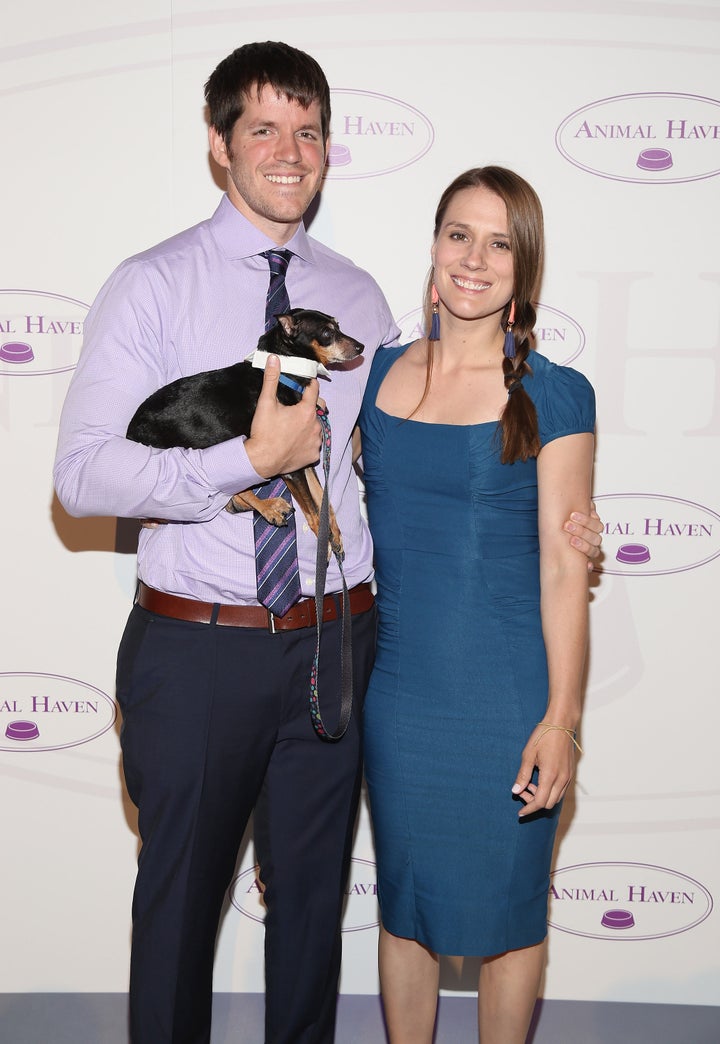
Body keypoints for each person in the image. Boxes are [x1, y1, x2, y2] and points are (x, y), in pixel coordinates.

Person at [53, 41, 602, 1044]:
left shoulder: (360, 308)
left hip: (337, 646)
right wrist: (239, 461)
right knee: (177, 917)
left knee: (310, 922)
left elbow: (395, 479)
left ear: (329, 149)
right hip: (198, 646)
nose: (289, 151)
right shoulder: (151, 285)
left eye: (308, 130)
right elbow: (82, 479)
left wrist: (557, 517)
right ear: (220, 146)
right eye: (262, 127)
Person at [358, 166, 595, 1044]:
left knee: (508, 916)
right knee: (405, 909)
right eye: (460, 233)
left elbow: (567, 572)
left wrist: (560, 721)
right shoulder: (375, 379)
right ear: (433, 244)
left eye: (501, 243)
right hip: (401, 695)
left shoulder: (556, 394)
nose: (475, 258)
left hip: (507, 698)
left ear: (524, 268)